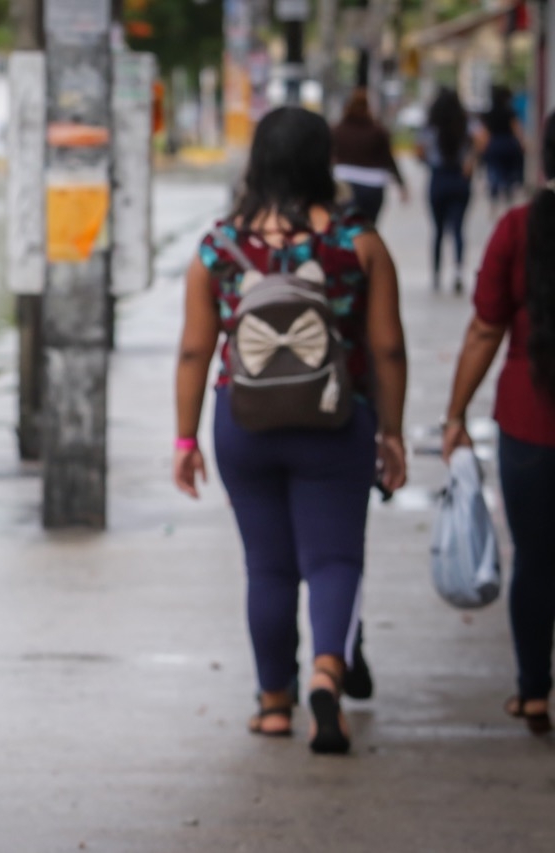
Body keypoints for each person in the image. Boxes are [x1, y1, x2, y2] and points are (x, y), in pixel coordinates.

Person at [173, 106, 408, 756]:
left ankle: (274, 700)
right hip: (336, 419)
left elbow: (195, 351)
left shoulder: (219, 246)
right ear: (322, 162)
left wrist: (186, 439)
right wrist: (391, 432)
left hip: (243, 421)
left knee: (268, 566)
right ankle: (329, 671)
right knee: (334, 558)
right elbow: (386, 349)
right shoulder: (358, 241)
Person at [442, 110, 555, 738]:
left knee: (536, 560)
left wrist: (455, 414)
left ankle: (534, 694)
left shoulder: (519, 228)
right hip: (526, 419)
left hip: (530, 422)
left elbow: (486, 328)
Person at [417, 89, 478, 294]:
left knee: (438, 231)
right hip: (460, 180)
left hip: (439, 179)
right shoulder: (465, 125)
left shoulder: (430, 127)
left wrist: (429, 161)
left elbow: (420, 152)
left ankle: (436, 274)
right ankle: (459, 271)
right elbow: (482, 140)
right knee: (459, 228)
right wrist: (471, 160)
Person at [332, 87, 408, 225]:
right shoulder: (377, 131)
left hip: (345, 182)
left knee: (345, 228)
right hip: (373, 185)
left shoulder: (337, 130)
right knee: (369, 227)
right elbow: (388, 160)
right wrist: (401, 185)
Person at [479, 84, 526, 215]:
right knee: (509, 175)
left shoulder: (490, 113)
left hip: (494, 145)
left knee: (494, 174)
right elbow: (516, 129)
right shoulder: (509, 112)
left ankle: (493, 206)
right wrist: (521, 143)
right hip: (508, 144)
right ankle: (508, 205)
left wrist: (483, 148)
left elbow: (484, 133)